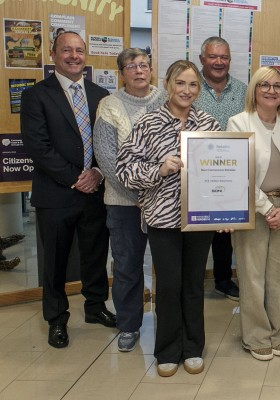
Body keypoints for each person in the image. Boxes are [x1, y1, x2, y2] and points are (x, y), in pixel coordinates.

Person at [117, 60, 220, 377]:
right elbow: (124, 170)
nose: (186, 90)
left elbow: (224, 170)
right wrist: (158, 170)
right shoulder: (147, 124)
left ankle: (192, 348)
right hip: (163, 220)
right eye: (180, 83)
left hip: (200, 219)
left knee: (193, 285)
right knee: (169, 286)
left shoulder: (210, 125)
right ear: (168, 84)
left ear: (198, 90)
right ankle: (167, 350)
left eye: (193, 85)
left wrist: (226, 208)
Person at [21, 31, 115, 349]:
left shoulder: (101, 94)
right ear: (53, 54)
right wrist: (78, 178)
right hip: (56, 193)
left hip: (96, 193)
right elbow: (38, 147)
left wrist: (99, 173)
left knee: (95, 254)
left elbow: (109, 143)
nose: (73, 56)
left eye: (79, 50)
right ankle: (57, 319)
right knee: (56, 261)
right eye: (66, 50)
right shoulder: (37, 95)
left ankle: (95, 307)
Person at [227, 66, 280, 361]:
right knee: (252, 277)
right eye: (264, 85)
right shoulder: (238, 123)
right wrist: (266, 208)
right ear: (254, 89)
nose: (272, 91)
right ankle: (256, 335)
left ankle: (278, 330)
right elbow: (239, 171)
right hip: (252, 210)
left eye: (277, 86)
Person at [94, 48, 162, 352]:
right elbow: (107, 157)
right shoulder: (109, 106)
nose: (139, 70)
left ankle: (168, 322)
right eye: (131, 66)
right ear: (122, 72)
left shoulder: (165, 99)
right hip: (123, 203)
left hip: (164, 202)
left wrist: (151, 192)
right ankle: (129, 325)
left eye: (144, 65)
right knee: (127, 265)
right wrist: (137, 193)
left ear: (150, 69)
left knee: (167, 264)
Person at [194, 36, 246, 301]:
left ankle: (223, 280)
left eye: (223, 57)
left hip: (231, 173)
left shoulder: (243, 90)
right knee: (198, 230)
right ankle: (192, 281)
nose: (218, 62)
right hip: (196, 174)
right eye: (213, 56)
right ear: (202, 59)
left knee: (226, 231)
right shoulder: (191, 88)